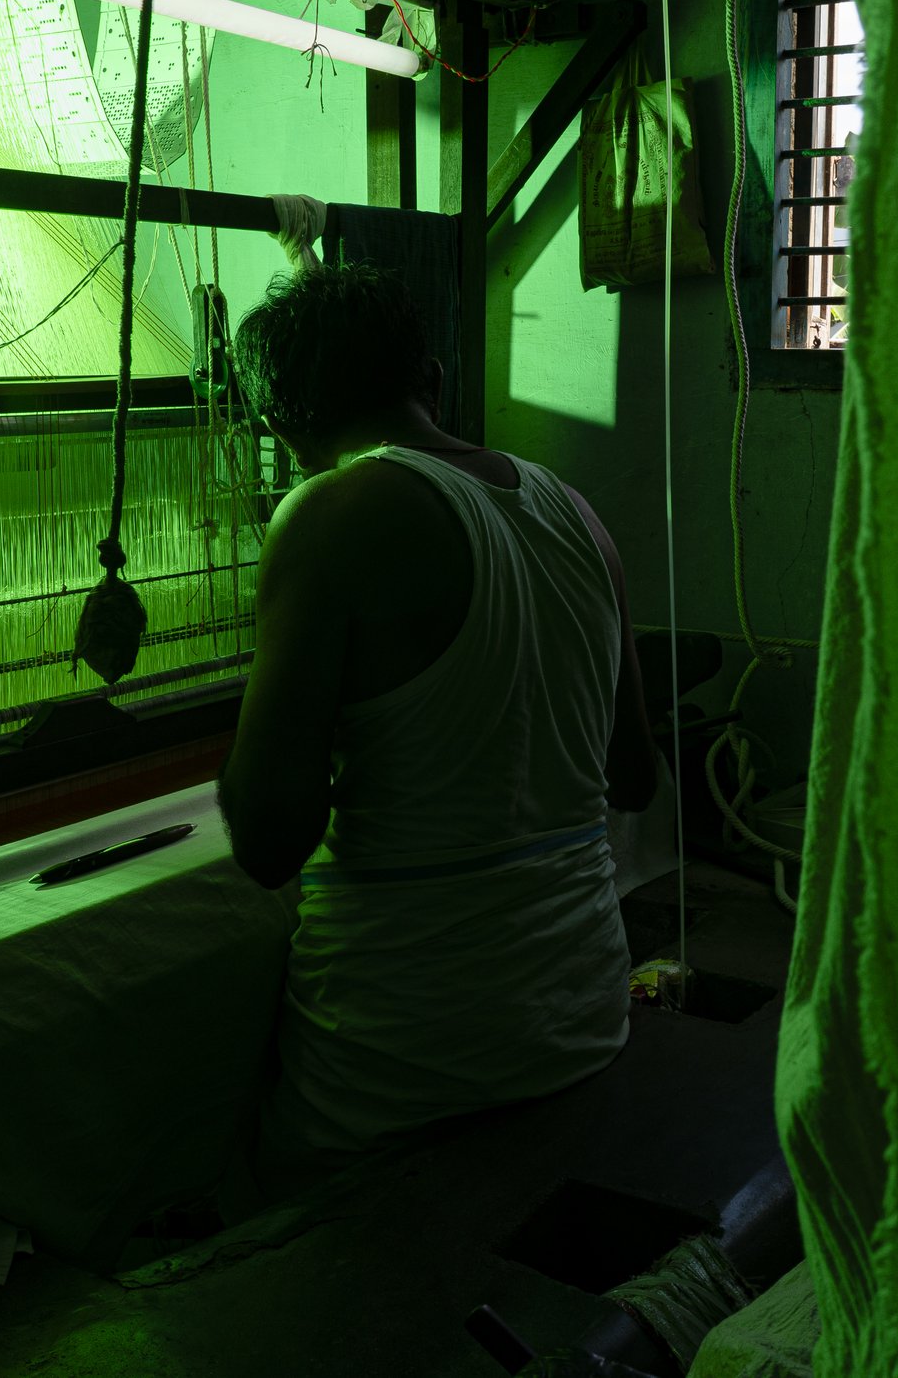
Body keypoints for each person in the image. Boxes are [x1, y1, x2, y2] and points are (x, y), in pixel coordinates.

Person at [216, 259, 661, 1202]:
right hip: (583, 1018)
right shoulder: (578, 514)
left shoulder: (327, 514)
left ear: (280, 427)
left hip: (402, 1069)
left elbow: (267, 839)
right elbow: (634, 777)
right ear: (433, 379)